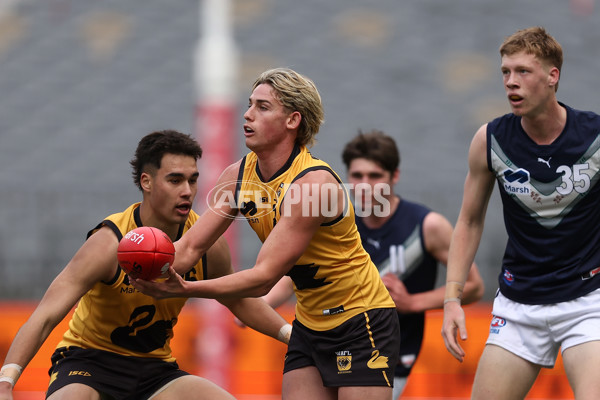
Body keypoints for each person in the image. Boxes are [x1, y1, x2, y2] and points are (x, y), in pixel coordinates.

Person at [130, 68, 401, 400]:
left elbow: (264, 278)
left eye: (262, 107)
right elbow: (188, 247)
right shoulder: (238, 176)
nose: (247, 114)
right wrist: (140, 269)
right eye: (249, 104)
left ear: (292, 120)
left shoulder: (312, 186)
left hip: (361, 321)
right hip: (310, 326)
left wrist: (185, 289)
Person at [0, 130, 291, 400]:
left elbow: (238, 300)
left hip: (155, 369)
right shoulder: (108, 243)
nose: (188, 191)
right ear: (146, 182)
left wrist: (292, 336)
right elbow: (45, 316)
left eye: (192, 179)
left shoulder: (206, 242)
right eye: (175, 180)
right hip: (89, 363)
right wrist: (6, 382)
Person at [258, 130, 485, 399]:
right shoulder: (336, 221)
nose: (365, 185)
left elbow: (473, 286)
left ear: (395, 176)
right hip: (329, 342)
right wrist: (259, 303)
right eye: (357, 176)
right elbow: (298, 273)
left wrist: (413, 302)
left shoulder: (426, 226)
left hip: (389, 352)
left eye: (375, 176)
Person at [441, 26, 600, 400]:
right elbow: (468, 220)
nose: (511, 83)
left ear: (552, 76)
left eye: (523, 72)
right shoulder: (490, 139)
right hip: (518, 304)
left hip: (587, 302)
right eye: (505, 72)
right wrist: (451, 300)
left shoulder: (594, 136)